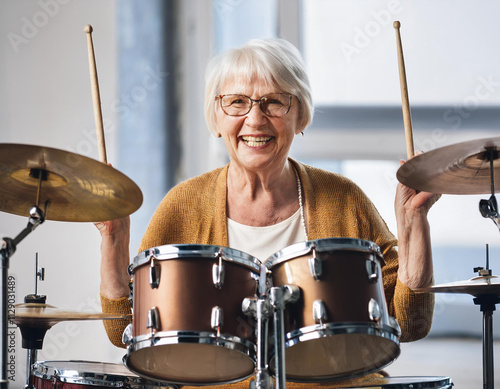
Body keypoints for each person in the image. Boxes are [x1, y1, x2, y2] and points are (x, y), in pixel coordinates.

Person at [96, 38, 439, 388]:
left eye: (274, 102)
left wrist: (414, 225)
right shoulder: (182, 205)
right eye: (236, 103)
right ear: (216, 118)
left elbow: (410, 323)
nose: (255, 119)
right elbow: (121, 328)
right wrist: (114, 237)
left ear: (300, 114)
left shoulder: (344, 198)